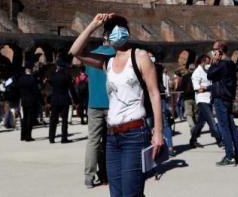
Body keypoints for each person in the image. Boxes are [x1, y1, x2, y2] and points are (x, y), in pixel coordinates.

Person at [69, 13, 164, 197]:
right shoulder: (108, 62)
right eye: (113, 30)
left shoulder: (140, 56)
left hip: (135, 134)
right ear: (106, 37)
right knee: (116, 193)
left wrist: (158, 132)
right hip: (112, 137)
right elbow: (75, 52)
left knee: (131, 192)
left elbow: (154, 93)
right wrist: (93, 24)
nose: (118, 32)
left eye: (122, 28)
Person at [82, 41, 115, 189]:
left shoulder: (91, 56)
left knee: (93, 142)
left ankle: (89, 177)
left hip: (94, 103)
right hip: (111, 104)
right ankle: (107, 174)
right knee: (110, 142)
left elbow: (89, 76)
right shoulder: (115, 54)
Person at [207, 41, 238, 166]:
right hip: (228, 98)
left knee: (224, 127)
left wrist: (213, 63)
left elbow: (210, 75)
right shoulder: (231, 64)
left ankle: (229, 156)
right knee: (232, 126)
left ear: (220, 51)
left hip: (220, 98)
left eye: (214, 50)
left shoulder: (221, 64)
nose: (212, 52)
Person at [189, 55, 222, 148]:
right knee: (212, 120)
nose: (209, 64)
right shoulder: (196, 73)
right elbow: (197, 89)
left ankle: (192, 140)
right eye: (208, 62)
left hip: (209, 99)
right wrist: (207, 88)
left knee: (200, 123)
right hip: (202, 100)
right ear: (202, 62)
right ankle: (219, 140)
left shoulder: (208, 71)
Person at [148, 51, 175, 156]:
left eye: (151, 57)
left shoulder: (157, 67)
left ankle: (170, 147)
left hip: (160, 98)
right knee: (149, 125)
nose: (150, 59)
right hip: (148, 100)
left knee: (165, 123)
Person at [49, 59, 76, 143]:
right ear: (63, 68)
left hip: (55, 100)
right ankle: (64, 138)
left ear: (57, 66)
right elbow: (71, 89)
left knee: (53, 120)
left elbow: (51, 84)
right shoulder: (66, 76)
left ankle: (51, 138)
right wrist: (76, 100)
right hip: (64, 99)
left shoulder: (53, 76)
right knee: (64, 120)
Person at [16, 61, 41, 141]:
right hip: (31, 101)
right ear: (30, 69)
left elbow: (18, 89)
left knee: (24, 118)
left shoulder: (21, 79)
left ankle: (22, 135)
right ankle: (28, 136)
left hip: (23, 100)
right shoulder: (32, 79)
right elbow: (36, 91)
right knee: (30, 119)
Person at [177, 65, 197, 131]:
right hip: (195, 97)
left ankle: (192, 126)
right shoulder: (196, 76)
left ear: (189, 69)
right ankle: (196, 127)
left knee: (188, 114)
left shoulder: (185, 77)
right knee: (195, 113)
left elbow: (180, 88)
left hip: (186, 98)